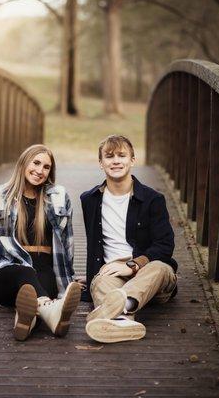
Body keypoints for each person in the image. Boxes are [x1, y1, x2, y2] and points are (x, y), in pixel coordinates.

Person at [0, 144, 81, 341]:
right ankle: (48, 313)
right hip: (6, 270)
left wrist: (69, 278)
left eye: (46, 167)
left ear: (51, 171)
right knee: (25, 273)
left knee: (44, 290)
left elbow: (67, 243)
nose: (40, 171)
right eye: (36, 163)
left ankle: (26, 320)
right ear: (24, 163)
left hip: (43, 268)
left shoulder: (58, 197)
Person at [80, 135, 178, 343]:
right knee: (99, 282)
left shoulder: (153, 199)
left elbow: (165, 245)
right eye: (109, 156)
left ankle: (114, 310)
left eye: (122, 155)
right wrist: (90, 277)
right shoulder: (89, 200)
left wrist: (133, 266)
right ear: (101, 163)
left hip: (149, 270)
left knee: (160, 267)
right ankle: (125, 318)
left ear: (132, 160)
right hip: (113, 271)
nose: (116, 161)